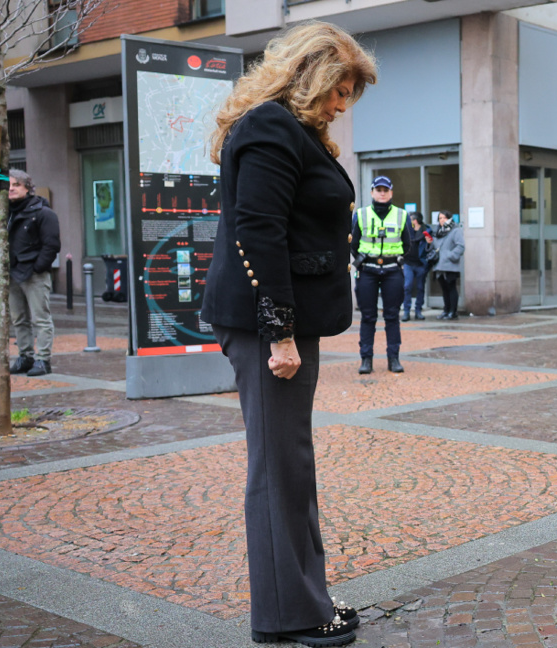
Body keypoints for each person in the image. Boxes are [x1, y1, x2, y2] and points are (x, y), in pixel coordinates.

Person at [201, 21, 376, 648]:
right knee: (279, 467)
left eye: (349, 94)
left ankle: (308, 597)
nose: (341, 105)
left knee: (291, 463)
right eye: (339, 91)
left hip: (286, 321)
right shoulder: (271, 127)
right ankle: (288, 617)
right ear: (311, 78)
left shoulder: (294, 132)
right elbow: (258, 233)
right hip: (267, 325)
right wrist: (279, 334)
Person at [351, 176, 408, 374]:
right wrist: (363, 258)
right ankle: (366, 359)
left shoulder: (401, 215)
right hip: (368, 270)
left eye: (386, 190)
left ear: (391, 192)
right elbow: (353, 242)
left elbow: (407, 244)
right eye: (378, 189)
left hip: (393, 270)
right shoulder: (361, 214)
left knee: (392, 316)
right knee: (368, 317)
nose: (382, 193)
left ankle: (394, 358)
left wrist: (396, 257)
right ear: (372, 192)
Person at [7, 170, 60, 377]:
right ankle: (25, 356)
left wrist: (38, 267)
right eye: (9, 185)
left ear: (27, 188)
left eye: (16, 185)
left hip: (34, 274)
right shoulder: (6, 214)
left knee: (41, 318)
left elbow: (52, 244)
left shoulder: (43, 213)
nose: (11, 188)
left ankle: (43, 360)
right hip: (11, 274)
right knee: (18, 318)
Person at [431, 210, 464, 320]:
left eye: (444, 218)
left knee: (451, 288)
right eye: (440, 218)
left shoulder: (455, 230)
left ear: (449, 219)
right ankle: (446, 310)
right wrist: (429, 242)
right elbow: (435, 247)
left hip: (450, 264)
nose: (442, 220)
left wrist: (450, 255)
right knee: (444, 289)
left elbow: (460, 246)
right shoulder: (437, 231)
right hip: (439, 265)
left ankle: (453, 312)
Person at [400, 212, 431, 322]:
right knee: (407, 286)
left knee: (420, 287)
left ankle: (418, 311)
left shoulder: (426, 231)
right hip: (408, 263)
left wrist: (429, 243)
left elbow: (431, 247)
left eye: (411, 220)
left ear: (415, 221)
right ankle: (406, 311)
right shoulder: (407, 231)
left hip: (421, 263)